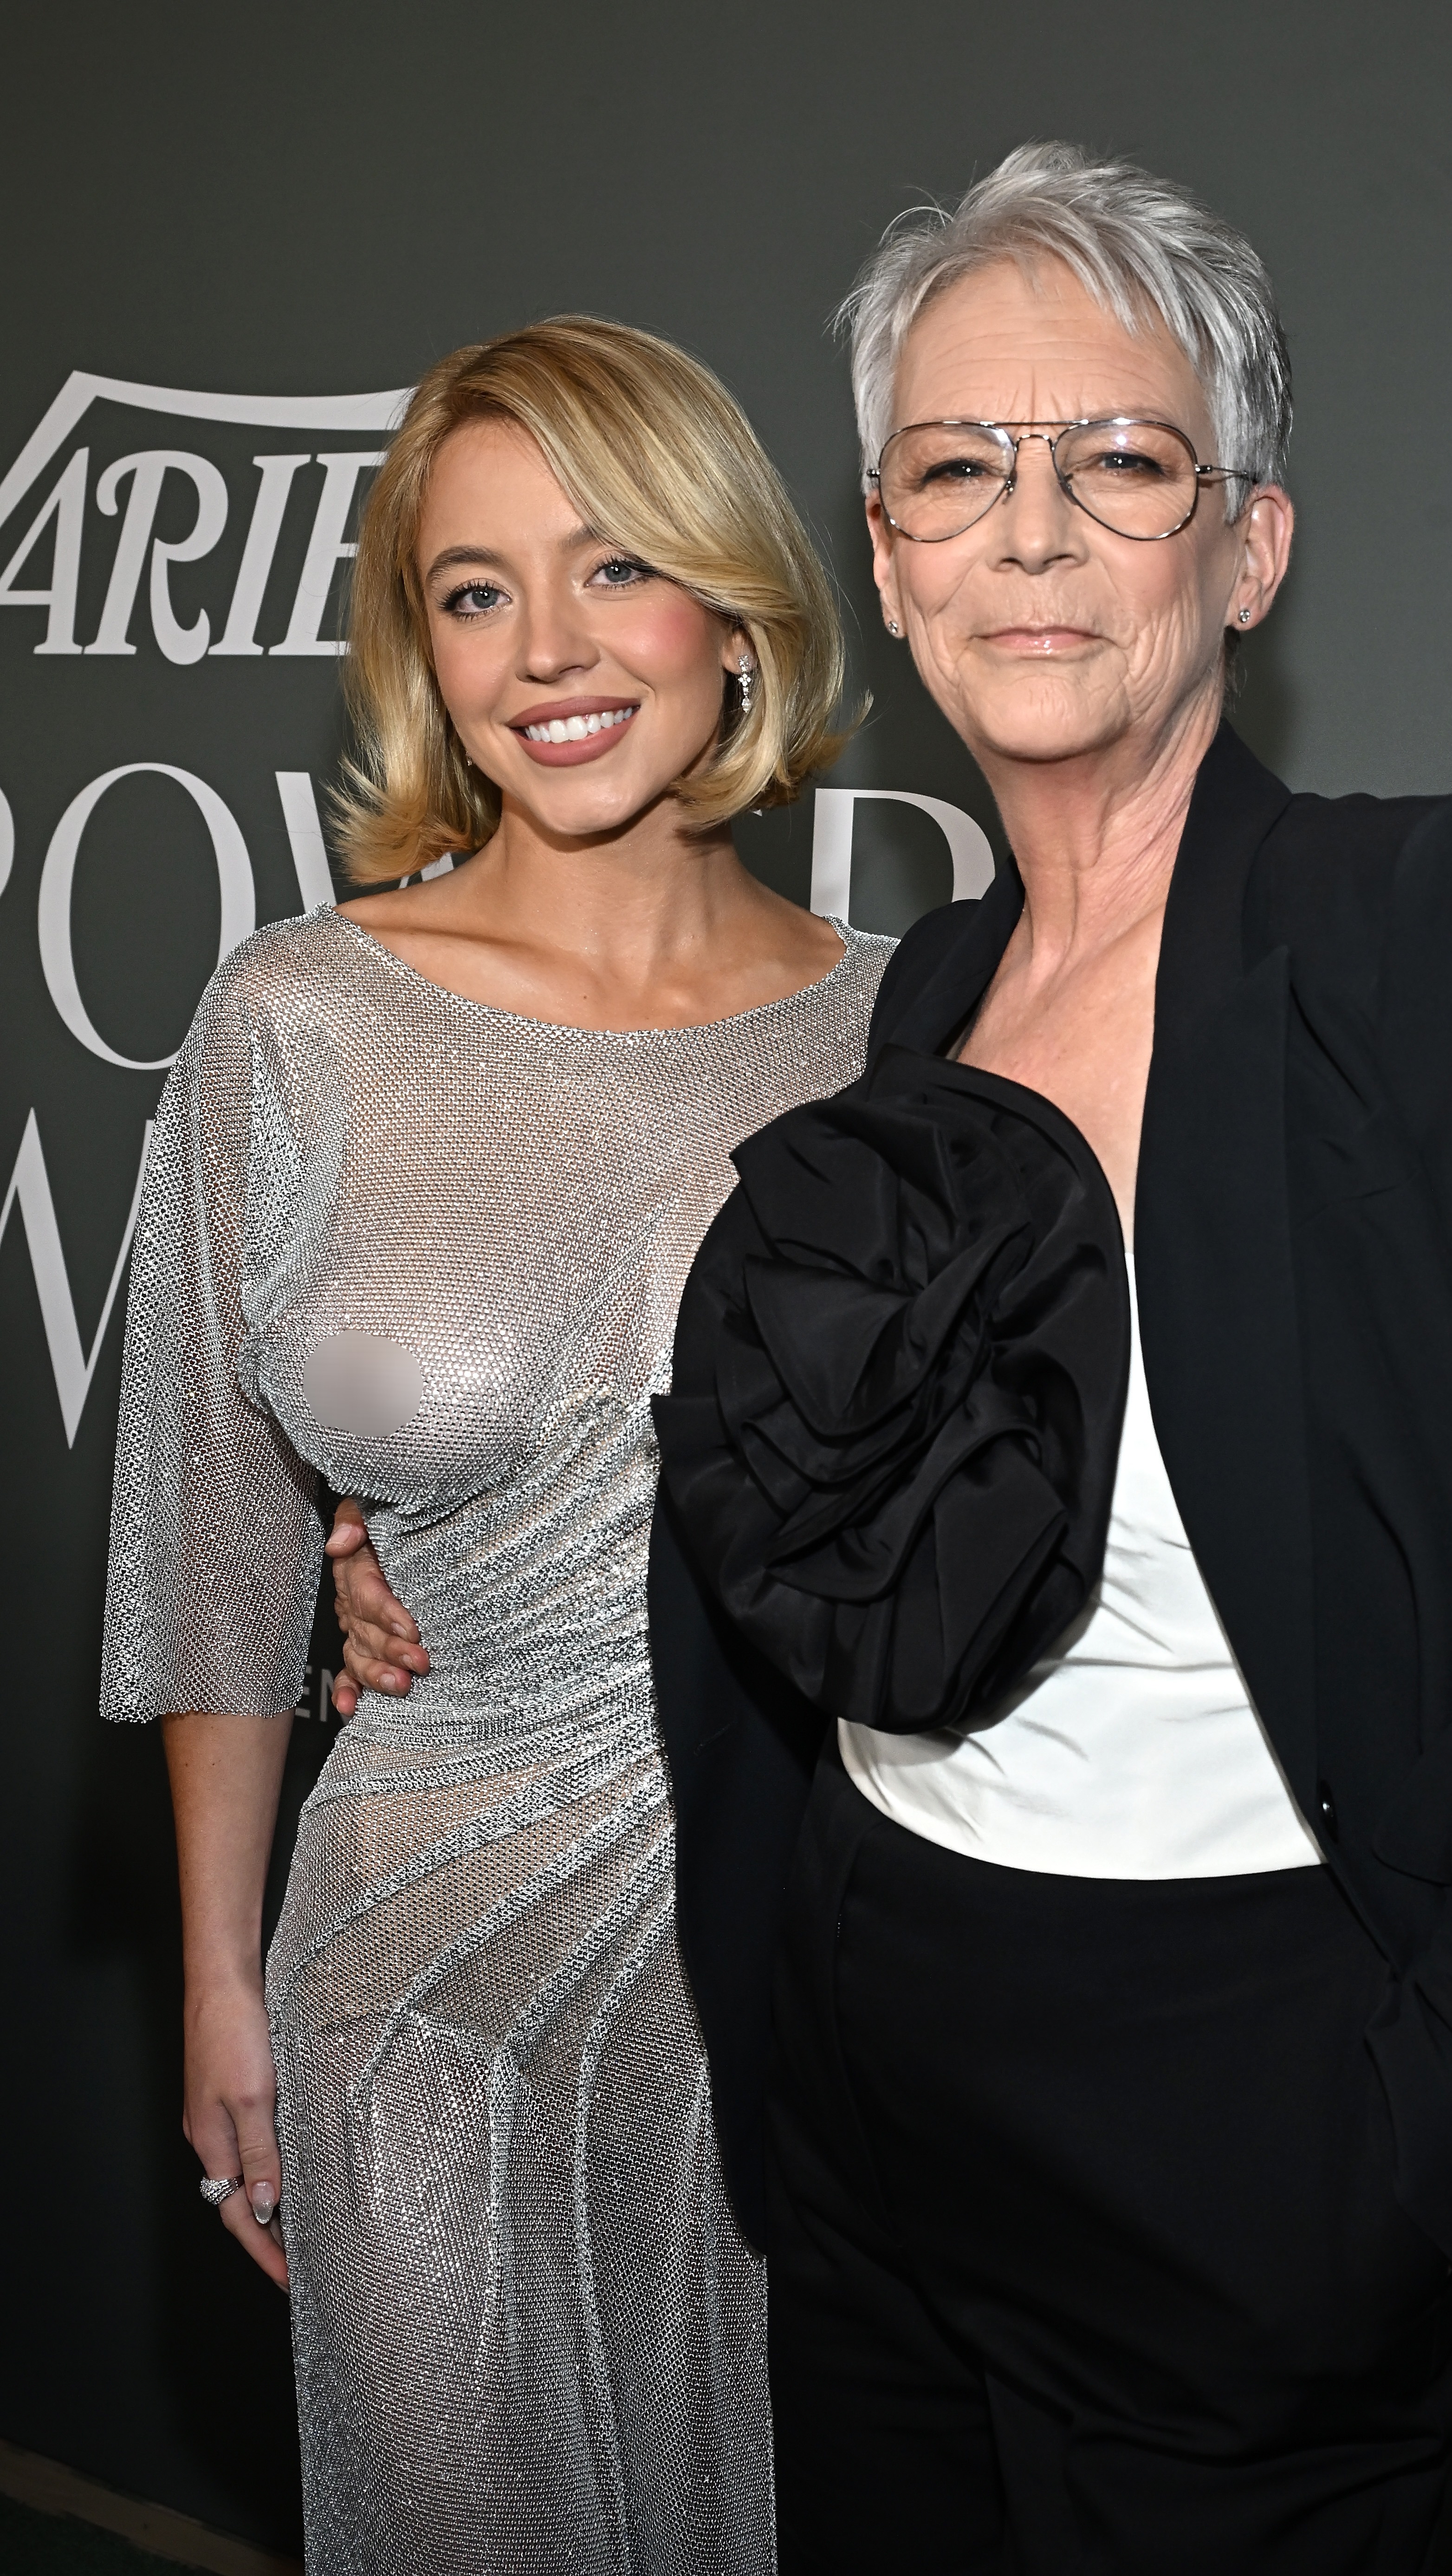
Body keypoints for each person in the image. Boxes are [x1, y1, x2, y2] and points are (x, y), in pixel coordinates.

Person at [332, 148, 1452, 2574]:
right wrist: (403, 1554)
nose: (1028, 536)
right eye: (954, 470)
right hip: (888, 2077)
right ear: (887, 560)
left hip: (1258, 2112)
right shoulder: (917, 996)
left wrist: (1409, 2152)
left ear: (1249, 546)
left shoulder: (1442, 924)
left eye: (1116, 461)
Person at [102, 313, 892, 2576]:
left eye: (613, 566)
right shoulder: (297, 1021)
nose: (544, 649)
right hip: (412, 1976)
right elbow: (205, 1547)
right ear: (417, 647)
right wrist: (222, 1974)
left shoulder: (900, 1029)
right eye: (472, 590)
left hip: (806, 1969)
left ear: (736, 611)